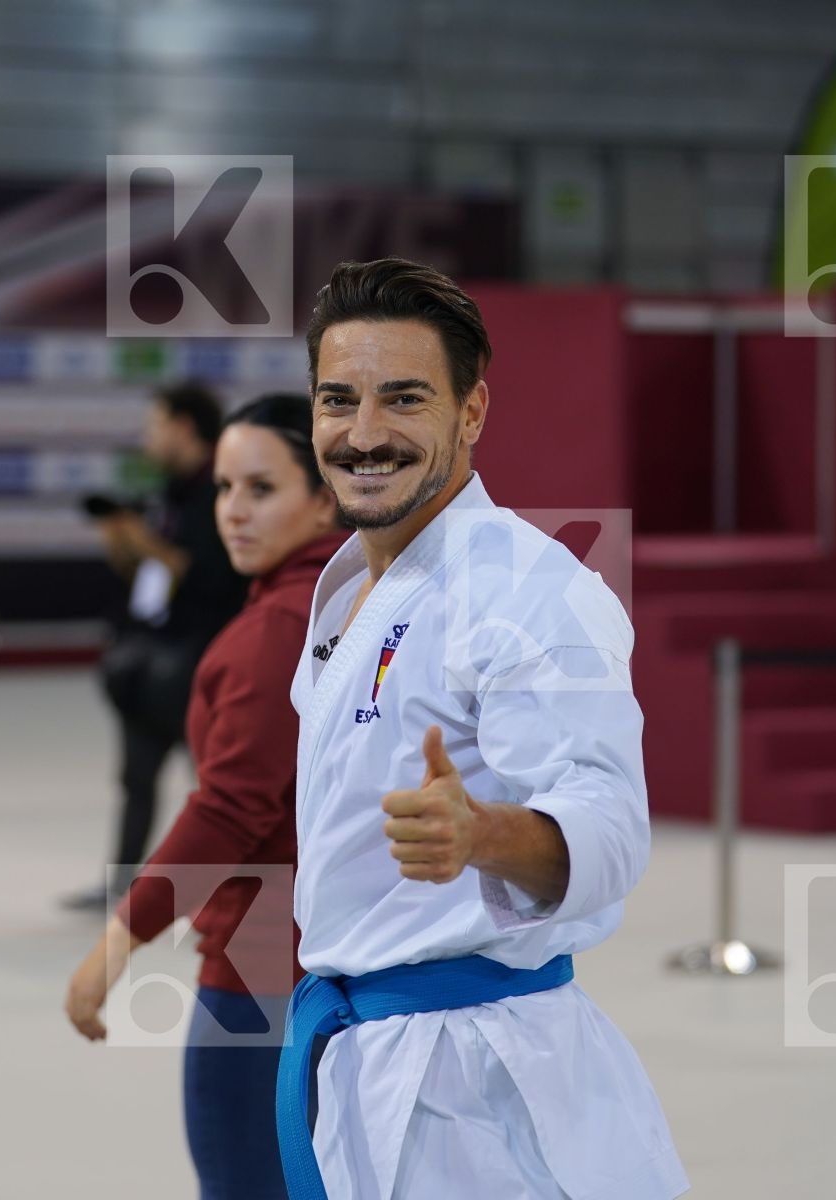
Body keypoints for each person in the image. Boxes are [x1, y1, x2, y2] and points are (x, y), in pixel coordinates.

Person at [276, 259, 689, 1199]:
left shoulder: (530, 590)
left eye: (405, 399)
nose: (365, 434)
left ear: (472, 413)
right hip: (359, 1053)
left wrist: (483, 834)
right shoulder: (347, 586)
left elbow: (612, 824)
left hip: (480, 1087)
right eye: (339, 400)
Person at [65, 393, 349, 1200]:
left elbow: (227, 812)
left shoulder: (279, 630)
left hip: (263, 947)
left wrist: (113, 947)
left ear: (325, 496)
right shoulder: (348, 608)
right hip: (330, 945)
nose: (233, 512)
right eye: (223, 489)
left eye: (261, 489)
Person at [61, 382, 249, 910]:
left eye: (154, 425)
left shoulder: (220, 489)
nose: (147, 438)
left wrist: (147, 544)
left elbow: (212, 576)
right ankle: (123, 885)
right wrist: (124, 545)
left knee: (218, 785)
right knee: (136, 777)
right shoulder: (168, 491)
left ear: (184, 427)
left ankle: (230, 888)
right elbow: (152, 577)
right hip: (153, 660)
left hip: (204, 660)